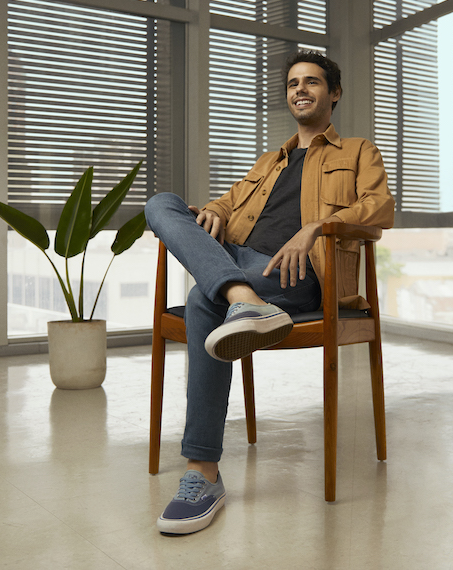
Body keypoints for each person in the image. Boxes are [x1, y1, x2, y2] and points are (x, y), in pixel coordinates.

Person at [144, 50, 395, 535]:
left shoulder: (358, 151)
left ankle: (202, 472)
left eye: (312, 82)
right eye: (293, 83)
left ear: (334, 93)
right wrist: (215, 210)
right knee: (161, 204)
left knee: (202, 300)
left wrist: (318, 227)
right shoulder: (269, 161)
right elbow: (229, 199)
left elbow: (380, 208)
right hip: (238, 259)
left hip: (299, 273)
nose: (300, 89)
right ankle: (243, 298)